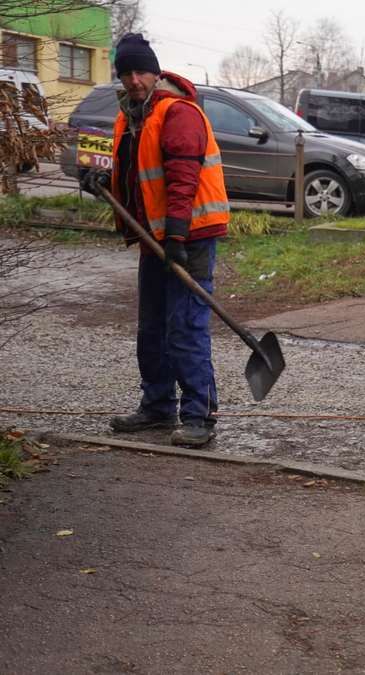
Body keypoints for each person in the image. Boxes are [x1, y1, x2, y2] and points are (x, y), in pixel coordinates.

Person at [82, 33, 229, 447]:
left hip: (191, 236)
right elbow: (136, 175)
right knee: (152, 328)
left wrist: (178, 234)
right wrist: (101, 181)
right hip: (155, 236)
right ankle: (158, 407)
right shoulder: (131, 114)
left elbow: (184, 180)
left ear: (155, 71)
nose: (133, 80)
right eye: (125, 72)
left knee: (184, 326)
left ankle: (199, 415)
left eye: (140, 71)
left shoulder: (178, 113)